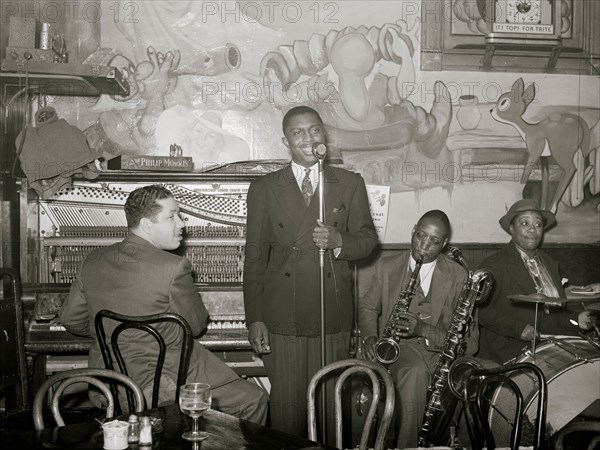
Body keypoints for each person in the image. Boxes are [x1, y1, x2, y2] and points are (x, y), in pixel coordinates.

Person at [59, 185, 268, 424]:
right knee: (254, 400)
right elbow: (196, 325)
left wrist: (113, 335)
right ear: (148, 225)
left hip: (111, 383)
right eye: (172, 216)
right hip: (163, 384)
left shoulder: (93, 261)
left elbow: (70, 319)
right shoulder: (173, 267)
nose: (181, 224)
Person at [243, 106, 378, 438]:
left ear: (324, 136)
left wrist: (339, 240)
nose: (308, 138)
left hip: (330, 312)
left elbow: (368, 242)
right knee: (288, 413)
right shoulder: (264, 188)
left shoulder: (348, 183)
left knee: (331, 409)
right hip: (281, 315)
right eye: (298, 132)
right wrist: (254, 317)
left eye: (315, 130)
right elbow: (255, 259)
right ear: (285, 140)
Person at [359, 210, 477, 449]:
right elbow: (368, 306)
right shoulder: (386, 266)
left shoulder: (458, 274)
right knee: (414, 374)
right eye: (421, 236)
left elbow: (466, 339)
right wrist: (370, 336)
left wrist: (423, 329)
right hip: (399, 348)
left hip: (442, 349)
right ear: (413, 231)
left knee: (476, 377)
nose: (424, 246)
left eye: (434, 242)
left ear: (444, 244)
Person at [477, 198, 594, 364]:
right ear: (511, 228)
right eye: (525, 223)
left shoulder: (549, 263)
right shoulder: (494, 264)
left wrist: (577, 320)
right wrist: (518, 329)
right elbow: (481, 312)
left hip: (550, 346)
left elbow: (553, 314)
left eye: (538, 224)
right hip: (509, 352)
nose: (533, 229)